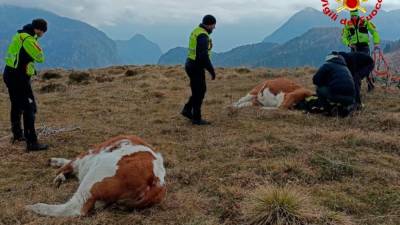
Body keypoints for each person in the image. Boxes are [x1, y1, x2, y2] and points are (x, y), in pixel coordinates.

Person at [3, 19, 49, 151]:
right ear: (39, 30)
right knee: (29, 108)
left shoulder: (20, 35)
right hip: (19, 77)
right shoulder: (29, 40)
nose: (43, 34)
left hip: (9, 73)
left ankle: (17, 134)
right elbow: (40, 57)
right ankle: (32, 142)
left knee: (16, 104)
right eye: (43, 31)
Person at [181, 15, 217, 125]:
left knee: (198, 91)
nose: (214, 28)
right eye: (213, 26)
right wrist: (211, 70)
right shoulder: (203, 35)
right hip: (196, 66)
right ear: (209, 25)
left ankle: (187, 110)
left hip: (190, 63)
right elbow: (203, 56)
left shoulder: (196, 31)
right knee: (200, 92)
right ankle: (196, 118)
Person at [342, 10, 380, 91]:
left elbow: (374, 32)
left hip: (364, 47)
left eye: (355, 15)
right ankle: (357, 88)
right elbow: (344, 37)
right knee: (354, 68)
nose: (354, 17)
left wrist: (376, 42)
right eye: (352, 16)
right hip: (354, 48)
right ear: (350, 16)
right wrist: (348, 44)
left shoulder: (365, 22)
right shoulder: (348, 25)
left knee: (365, 67)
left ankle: (370, 84)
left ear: (357, 15)